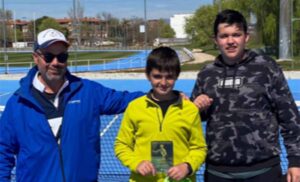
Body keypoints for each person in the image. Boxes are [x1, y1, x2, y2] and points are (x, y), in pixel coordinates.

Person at [0, 28, 144, 181]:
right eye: (49, 57)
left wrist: (164, 95)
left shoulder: (88, 91)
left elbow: (125, 100)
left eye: (62, 57)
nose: (56, 63)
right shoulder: (17, 104)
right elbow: (3, 153)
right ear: (36, 58)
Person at [191, 9, 300, 182]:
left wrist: (295, 160)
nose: (231, 41)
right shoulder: (206, 74)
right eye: (224, 36)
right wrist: (195, 107)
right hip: (218, 173)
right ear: (215, 40)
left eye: (236, 35)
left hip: (264, 171)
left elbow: (289, 116)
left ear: (246, 37)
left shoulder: (266, 67)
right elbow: (194, 119)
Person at [115, 46, 207, 182]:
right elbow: (121, 145)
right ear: (148, 75)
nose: (163, 83)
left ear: (177, 75)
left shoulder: (190, 109)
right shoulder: (134, 107)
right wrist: (136, 163)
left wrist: (187, 166)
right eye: (157, 76)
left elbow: (199, 148)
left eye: (169, 77)